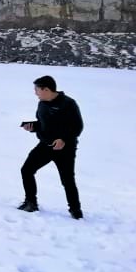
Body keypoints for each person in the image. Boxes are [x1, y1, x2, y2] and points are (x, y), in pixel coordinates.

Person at [18, 75, 84, 219]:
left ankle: (76, 212)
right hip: (45, 146)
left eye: (37, 90)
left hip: (65, 149)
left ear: (46, 89)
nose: (35, 93)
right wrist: (33, 127)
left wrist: (64, 139)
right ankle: (31, 203)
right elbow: (43, 124)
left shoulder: (69, 104)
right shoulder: (41, 103)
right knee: (27, 170)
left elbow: (78, 127)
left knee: (67, 180)